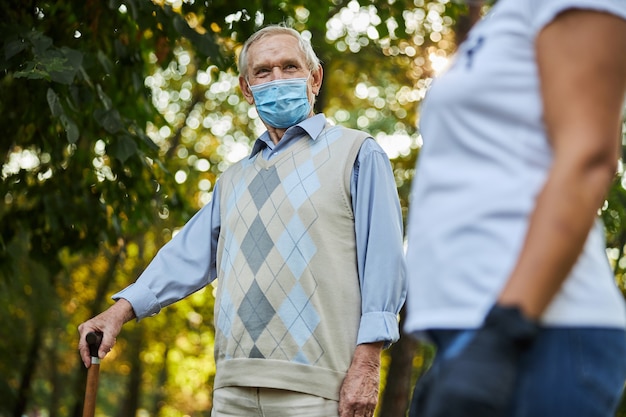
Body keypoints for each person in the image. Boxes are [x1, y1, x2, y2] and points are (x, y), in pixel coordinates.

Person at [78, 24, 406, 417]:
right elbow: (185, 256)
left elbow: (385, 264)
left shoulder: (357, 154)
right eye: (263, 72)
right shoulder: (233, 179)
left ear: (314, 77)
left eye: (289, 67)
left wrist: (368, 363)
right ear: (247, 89)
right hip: (232, 391)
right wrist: (117, 312)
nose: (277, 79)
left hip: (319, 388)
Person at [404, 0, 626, 416]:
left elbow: (589, 157)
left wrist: (505, 331)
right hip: (473, 329)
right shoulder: (507, 14)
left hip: (541, 333)